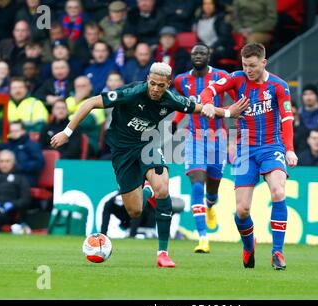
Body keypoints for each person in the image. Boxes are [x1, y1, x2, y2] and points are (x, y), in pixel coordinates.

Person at [50, 62, 248, 268]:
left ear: (168, 84)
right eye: (152, 83)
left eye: (160, 85)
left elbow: (198, 108)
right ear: (147, 80)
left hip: (148, 145)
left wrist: (226, 113)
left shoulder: (171, 99)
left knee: (163, 188)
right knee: (134, 211)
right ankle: (148, 191)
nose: (155, 89)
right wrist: (66, 132)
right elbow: (90, 102)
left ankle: (163, 253)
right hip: (122, 152)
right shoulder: (131, 93)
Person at [200, 43, 298, 270]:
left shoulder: (279, 86)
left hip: (272, 146)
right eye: (245, 65)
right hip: (245, 150)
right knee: (242, 210)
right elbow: (209, 90)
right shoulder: (236, 78)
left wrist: (290, 148)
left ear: (264, 62)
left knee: (278, 190)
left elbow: (286, 118)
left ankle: (278, 252)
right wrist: (206, 104)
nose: (248, 70)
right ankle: (248, 246)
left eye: (252, 65)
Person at [173, 43, 233, 253]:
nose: (198, 56)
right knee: (197, 184)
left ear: (209, 56)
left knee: (212, 189)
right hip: (194, 138)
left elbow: (235, 105)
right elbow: (184, 104)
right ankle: (203, 238)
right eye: (194, 53)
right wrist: (175, 121)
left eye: (202, 53)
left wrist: (219, 111)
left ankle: (210, 206)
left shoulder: (222, 77)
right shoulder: (181, 80)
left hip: (218, 138)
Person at [0, 120, 44, 187]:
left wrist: (18, 167)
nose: (14, 133)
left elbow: (38, 163)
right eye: (12, 131)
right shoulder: (7, 145)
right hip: (7, 177)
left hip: (26, 178)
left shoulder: (32, 146)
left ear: (23, 131)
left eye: (16, 131)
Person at [0, 149, 31, 232]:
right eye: (1, 161)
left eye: (7, 161)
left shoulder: (20, 178)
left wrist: (12, 204)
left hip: (10, 212)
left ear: (13, 162)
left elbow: (26, 199)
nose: (4, 164)